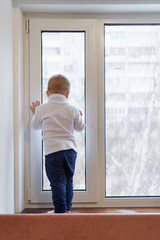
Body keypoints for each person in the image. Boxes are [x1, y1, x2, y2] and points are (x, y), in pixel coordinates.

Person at [30, 74, 84, 213]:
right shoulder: (73, 109)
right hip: (70, 152)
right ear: (68, 93)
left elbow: (35, 126)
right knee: (68, 181)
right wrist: (80, 116)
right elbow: (80, 128)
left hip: (53, 152)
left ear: (47, 93)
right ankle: (67, 210)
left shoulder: (42, 109)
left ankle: (60, 211)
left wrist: (35, 113)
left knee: (57, 182)